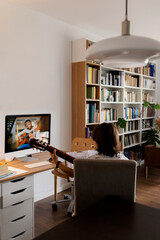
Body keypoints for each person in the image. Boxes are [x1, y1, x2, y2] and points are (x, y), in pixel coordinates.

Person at [50, 123, 128, 178]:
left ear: (97, 141)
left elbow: (72, 173)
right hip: (117, 200)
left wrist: (57, 162)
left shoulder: (91, 162)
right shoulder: (125, 161)